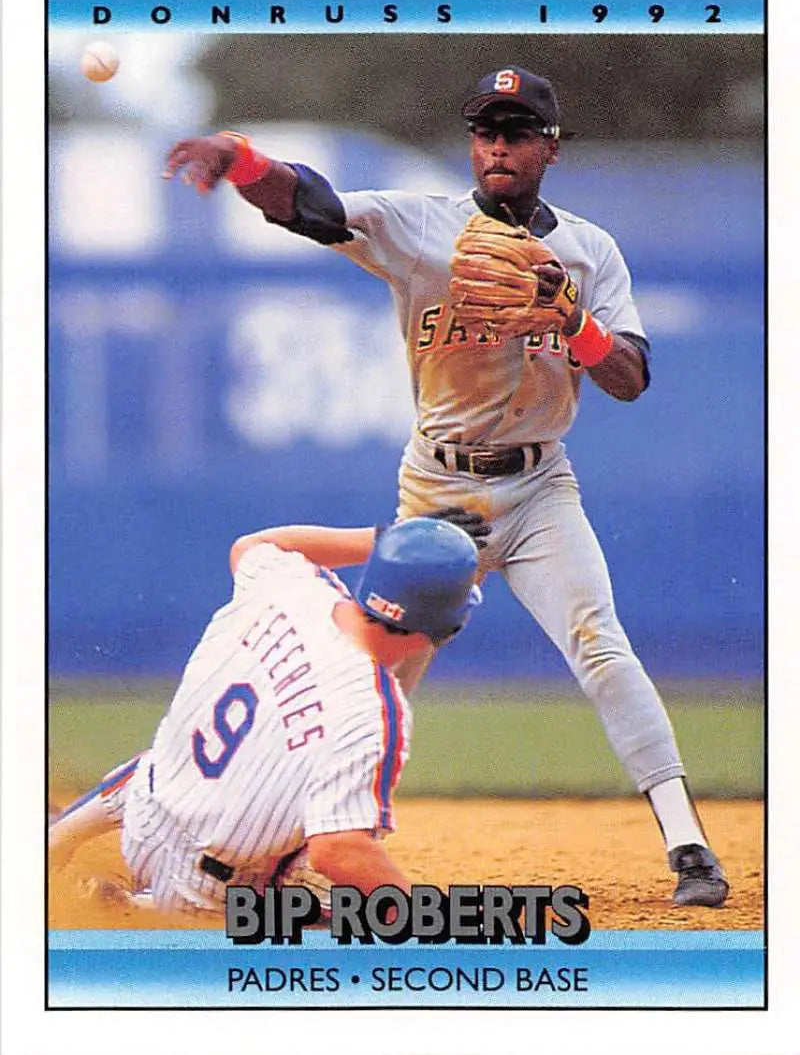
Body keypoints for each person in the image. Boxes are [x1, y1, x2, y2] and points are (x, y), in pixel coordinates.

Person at [161, 66, 729, 908]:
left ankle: (689, 848)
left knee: (600, 644)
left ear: (550, 147)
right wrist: (241, 160)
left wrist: (573, 322)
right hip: (436, 492)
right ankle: (280, 854)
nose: (499, 145)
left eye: (518, 131)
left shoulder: (588, 250)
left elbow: (631, 376)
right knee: (375, 678)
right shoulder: (422, 226)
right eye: (486, 131)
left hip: (540, 491)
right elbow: (311, 205)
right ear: (473, 145)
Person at [48, 513, 484, 915]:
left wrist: (386, 541)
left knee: (165, 761)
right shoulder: (374, 712)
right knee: (347, 917)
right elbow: (338, 849)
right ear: (445, 628)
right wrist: (428, 917)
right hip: (206, 890)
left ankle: (57, 840)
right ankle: (137, 909)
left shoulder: (293, 588)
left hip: (142, 807)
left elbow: (253, 545)